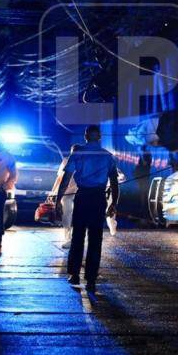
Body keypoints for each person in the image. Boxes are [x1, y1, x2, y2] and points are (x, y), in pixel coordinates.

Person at [56, 125, 119, 294]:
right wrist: (114, 203)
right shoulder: (107, 156)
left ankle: (74, 274)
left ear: (85, 136)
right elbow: (114, 181)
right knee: (95, 239)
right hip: (98, 199)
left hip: (82, 197)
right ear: (99, 137)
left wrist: (57, 200)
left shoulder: (78, 153)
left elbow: (65, 178)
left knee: (78, 237)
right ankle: (91, 278)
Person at [50, 144, 80, 249]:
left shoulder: (84, 162)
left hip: (79, 194)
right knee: (66, 217)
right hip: (67, 194)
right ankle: (68, 239)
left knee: (76, 217)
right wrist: (53, 192)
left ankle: (75, 239)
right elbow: (60, 178)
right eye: (73, 152)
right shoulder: (66, 161)